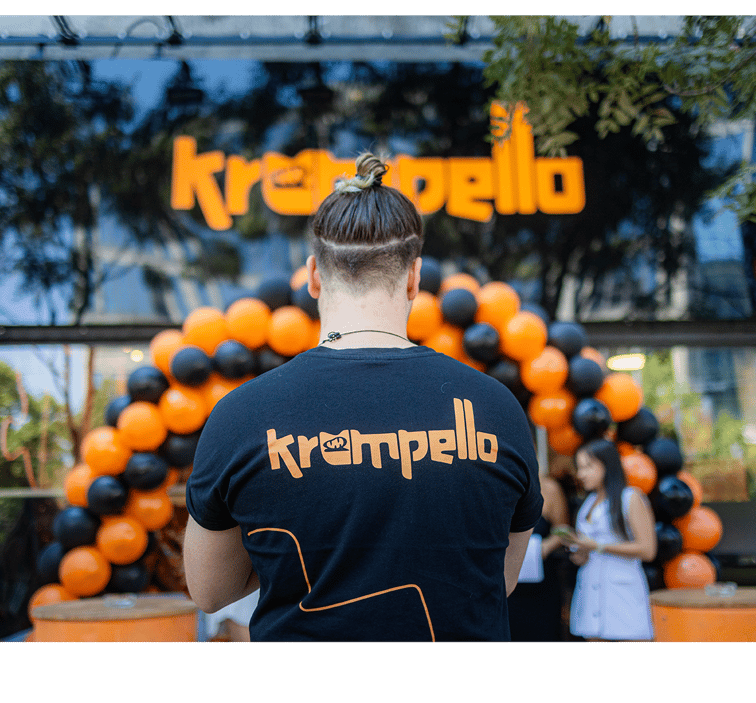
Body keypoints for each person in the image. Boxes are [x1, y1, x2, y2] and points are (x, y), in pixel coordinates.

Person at [183, 152, 543, 642]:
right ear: (414, 278)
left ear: (314, 276)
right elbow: (498, 578)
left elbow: (209, 591)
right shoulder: (496, 408)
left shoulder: (242, 414)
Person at [561, 438, 657, 642]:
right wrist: (579, 552)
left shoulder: (630, 497)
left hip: (622, 594)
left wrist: (598, 546)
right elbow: (588, 552)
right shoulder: (587, 504)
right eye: (579, 468)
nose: (581, 474)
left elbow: (648, 549)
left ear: (607, 464)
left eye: (588, 466)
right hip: (590, 590)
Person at [507, 473, 570, 642]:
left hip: (541, 580)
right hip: (506, 583)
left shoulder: (549, 488)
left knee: (545, 635)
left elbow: (563, 529)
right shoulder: (497, 485)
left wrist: (546, 546)